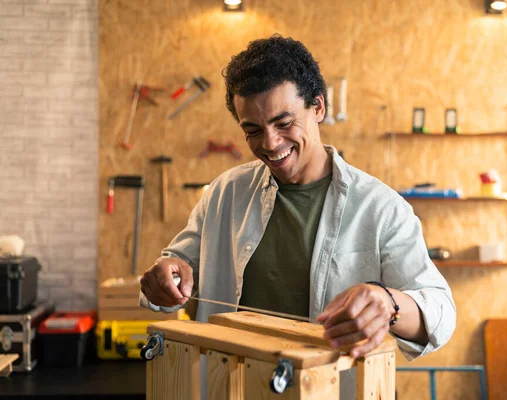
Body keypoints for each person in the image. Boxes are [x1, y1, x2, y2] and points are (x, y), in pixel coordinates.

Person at [140, 34, 455, 370]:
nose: (271, 143)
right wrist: (163, 279)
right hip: (228, 388)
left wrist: (389, 304)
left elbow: (441, 313)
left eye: (284, 123)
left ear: (317, 107)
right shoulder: (224, 193)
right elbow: (172, 271)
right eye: (253, 130)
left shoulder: (381, 208)